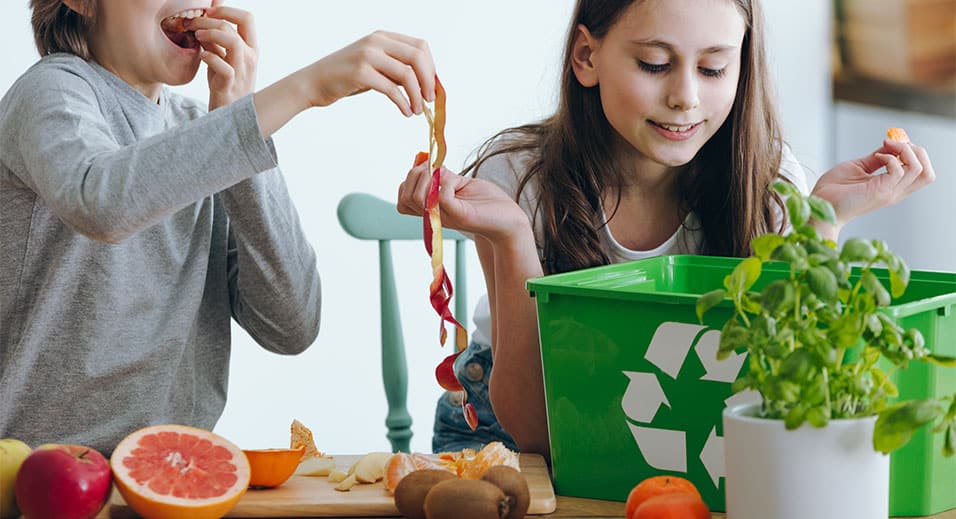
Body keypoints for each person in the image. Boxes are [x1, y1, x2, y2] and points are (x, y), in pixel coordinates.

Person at [397, 0, 935, 459]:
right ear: (587, 57)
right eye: (655, 64)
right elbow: (534, 431)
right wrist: (512, 236)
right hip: (508, 438)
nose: (686, 97)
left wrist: (825, 219)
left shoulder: (771, 186)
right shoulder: (519, 180)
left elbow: (783, 397)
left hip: (692, 435)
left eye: (714, 69)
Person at [0, 0, 436, 456]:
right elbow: (103, 202)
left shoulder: (203, 132)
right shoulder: (51, 91)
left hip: (175, 473)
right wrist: (304, 89)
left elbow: (290, 326)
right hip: (40, 475)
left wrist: (238, 115)